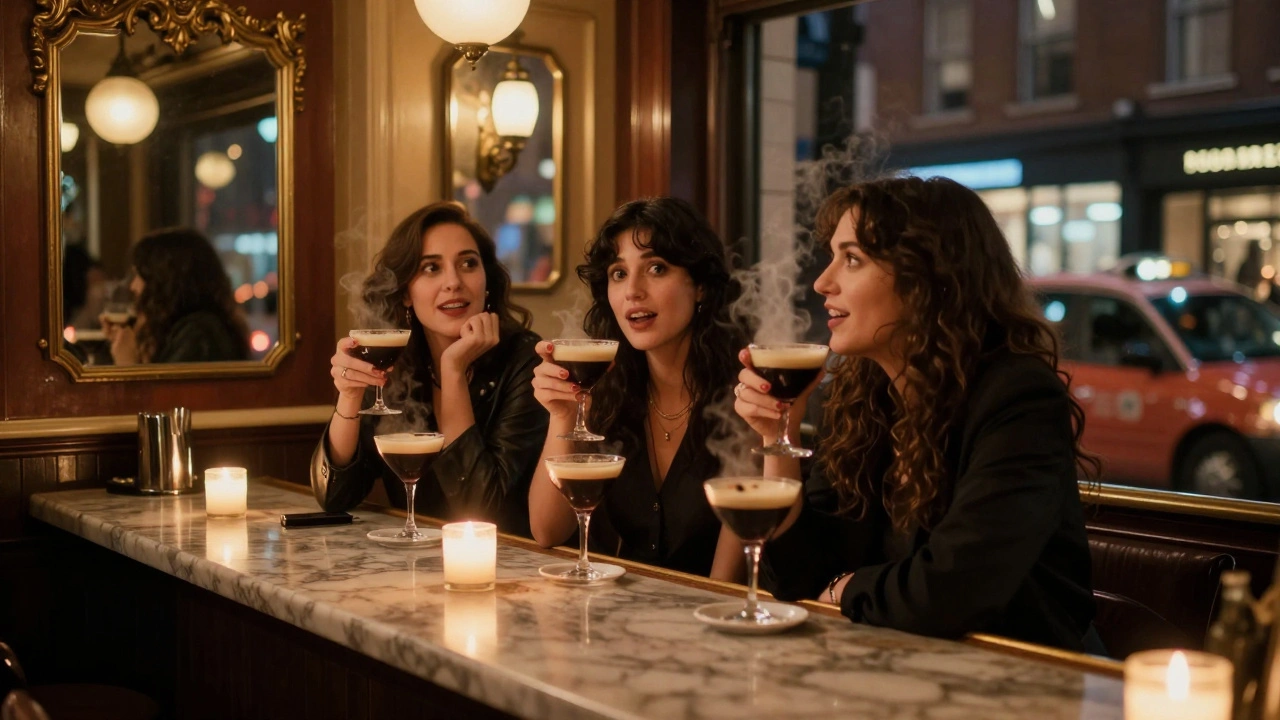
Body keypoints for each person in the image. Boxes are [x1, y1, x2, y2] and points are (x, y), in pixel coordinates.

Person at [734, 176, 1104, 653]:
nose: (823, 282)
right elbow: (800, 576)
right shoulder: (861, 395)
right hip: (903, 659)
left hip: (1028, 673)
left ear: (926, 278)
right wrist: (776, 438)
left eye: (852, 259)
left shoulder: (1019, 399)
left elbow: (954, 589)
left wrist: (848, 588)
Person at [528, 197, 749, 581]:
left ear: (699, 286)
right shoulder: (604, 392)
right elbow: (547, 530)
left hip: (708, 624)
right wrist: (563, 416)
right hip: (609, 617)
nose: (633, 290)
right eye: (618, 273)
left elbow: (723, 584)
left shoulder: (743, 398)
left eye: (656, 269)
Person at [312, 202, 547, 536]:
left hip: (506, 569)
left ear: (487, 282)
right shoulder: (395, 364)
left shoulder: (525, 360)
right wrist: (349, 397)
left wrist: (452, 372)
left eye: (468, 263)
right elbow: (334, 495)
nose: (453, 282)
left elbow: (483, 510)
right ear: (406, 293)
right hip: (409, 563)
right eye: (431, 268)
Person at [103, 228, 249, 364]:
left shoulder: (199, 335)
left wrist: (128, 367)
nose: (133, 286)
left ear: (164, 280)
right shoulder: (188, 329)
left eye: (139, 275)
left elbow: (171, 391)